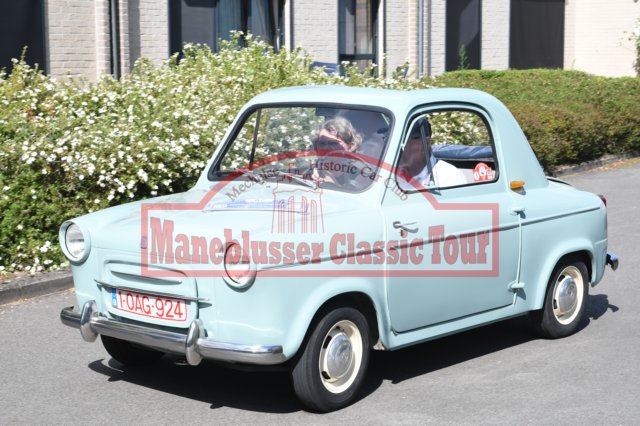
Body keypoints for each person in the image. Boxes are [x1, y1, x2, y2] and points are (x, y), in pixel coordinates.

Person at [397, 118, 466, 190]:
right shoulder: (393, 175)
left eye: (403, 142)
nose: (398, 149)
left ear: (424, 143)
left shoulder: (448, 177)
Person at [310, 117, 365, 186]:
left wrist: (331, 182)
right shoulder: (309, 172)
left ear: (351, 146)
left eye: (333, 143)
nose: (326, 148)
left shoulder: (362, 178)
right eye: (322, 143)